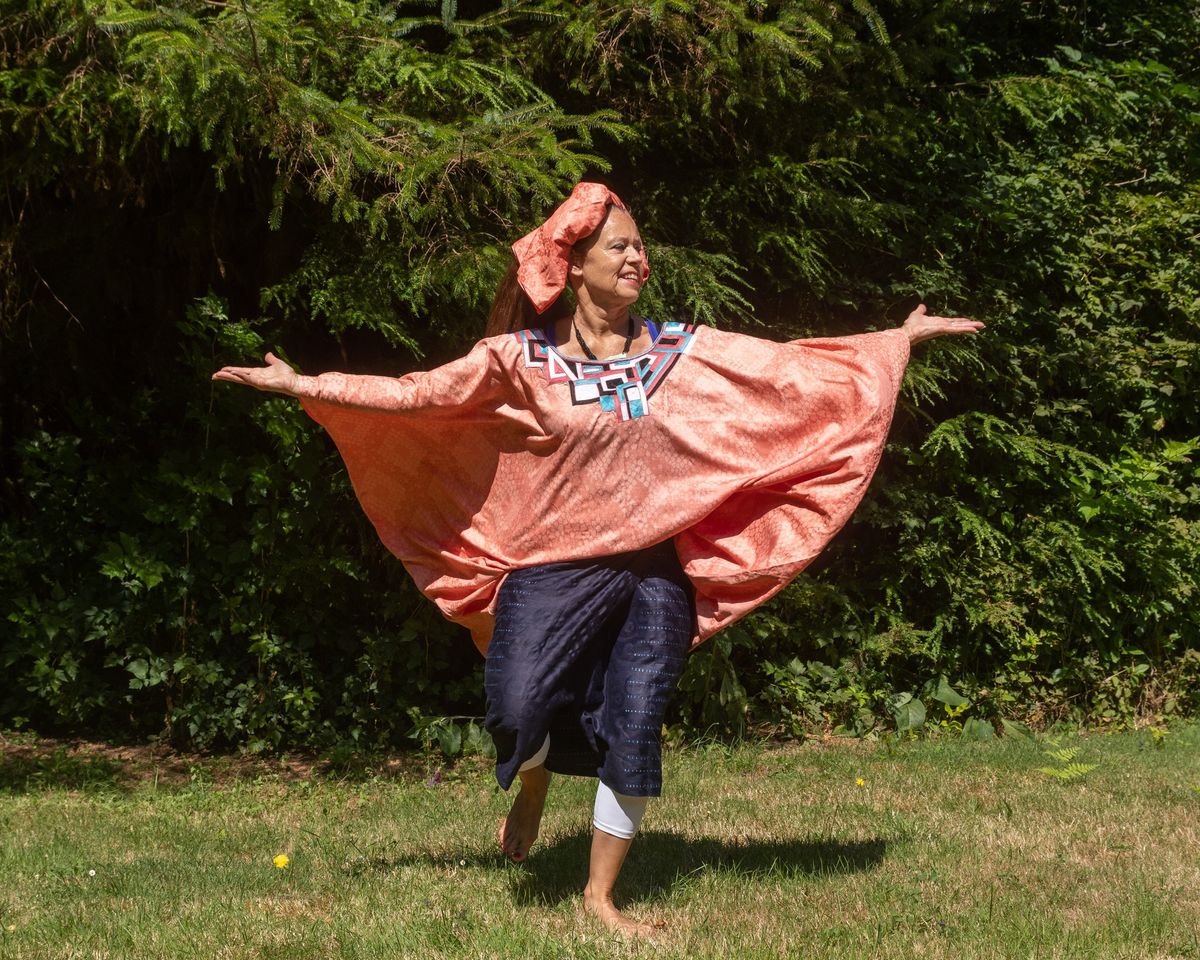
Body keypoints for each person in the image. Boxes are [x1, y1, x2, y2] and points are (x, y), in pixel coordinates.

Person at [213, 182, 984, 936]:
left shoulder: (684, 353)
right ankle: (535, 781)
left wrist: (895, 342)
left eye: (642, 247)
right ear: (574, 265)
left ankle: (599, 900)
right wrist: (303, 385)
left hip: (655, 573)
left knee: (636, 720)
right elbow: (420, 396)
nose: (639, 259)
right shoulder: (517, 360)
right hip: (550, 567)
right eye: (621, 246)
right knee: (515, 708)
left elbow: (789, 372)